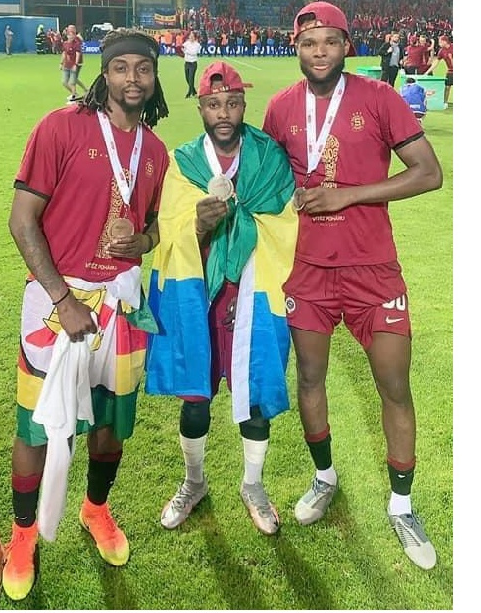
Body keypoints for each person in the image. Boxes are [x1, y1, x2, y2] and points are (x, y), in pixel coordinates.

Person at [262, 2, 443, 570]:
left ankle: (402, 504)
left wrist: (348, 193)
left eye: (330, 42)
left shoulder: (380, 98)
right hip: (307, 269)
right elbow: (264, 178)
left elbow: (428, 172)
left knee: (394, 385)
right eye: (309, 42)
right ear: (297, 46)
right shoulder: (280, 107)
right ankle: (324, 477)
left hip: (372, 269)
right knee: (310, 377)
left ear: (347, 46)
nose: (319, 52)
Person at [1, 28, 170, 601]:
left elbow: (153, 230)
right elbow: (22, 221)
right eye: (120, 68)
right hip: (57, 309)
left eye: (141, 69)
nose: (131, 79)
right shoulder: (60, 127)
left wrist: (142, 243)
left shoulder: (157, 150)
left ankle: (96, 509)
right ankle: (23, 534)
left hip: (121, 307)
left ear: (153, 78)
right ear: (104, 73)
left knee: (108, 425)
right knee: (36, 426)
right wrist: (64, 300)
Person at [145, 61, 299, 536]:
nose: (224, 113)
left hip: (254, 292)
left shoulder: (269, 157)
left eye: (232, 103)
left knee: (253, 396)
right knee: (195, 398)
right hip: (199, 296)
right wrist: (198, 225)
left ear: (243, 104)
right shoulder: (183, 160)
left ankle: (253, 484)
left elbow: (284, 219)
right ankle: (194, 482)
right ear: (201, 107)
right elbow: (167, 228)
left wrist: (240, 222)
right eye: (214, 105)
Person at [424, 35, 453, 108]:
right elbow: (436, 63)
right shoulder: (442, 51)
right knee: (447, 87)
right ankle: (445, 102)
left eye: (440, 42)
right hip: (450, 71)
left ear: (444, 41)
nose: (439, 44)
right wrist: (427, 72)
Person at [60, 27, 83, 102]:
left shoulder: (76, 43)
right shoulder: (65, 44)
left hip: (74, 65)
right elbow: (64, 53)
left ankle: (74, 97)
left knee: (73, 82)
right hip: (66, 65)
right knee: (64, 82)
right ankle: (75, 94)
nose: (71, 36)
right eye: (69, 35)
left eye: (72, 35)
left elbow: (78, 54)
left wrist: (75, 64)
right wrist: (61, 63)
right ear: (67, 35)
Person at [182, 30, 201, 98]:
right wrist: (183, 50)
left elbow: (194, 53)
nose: (190, 37)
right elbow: (182, 47)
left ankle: (189, 93)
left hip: (193, 63)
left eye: (192, 36)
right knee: (187, 78)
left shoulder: (197, 45)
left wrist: (186, 51)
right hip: (187, 63)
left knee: (191, 78)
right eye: (190, 36)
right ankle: (194, 91)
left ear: (195, 37)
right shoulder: (187, 43)